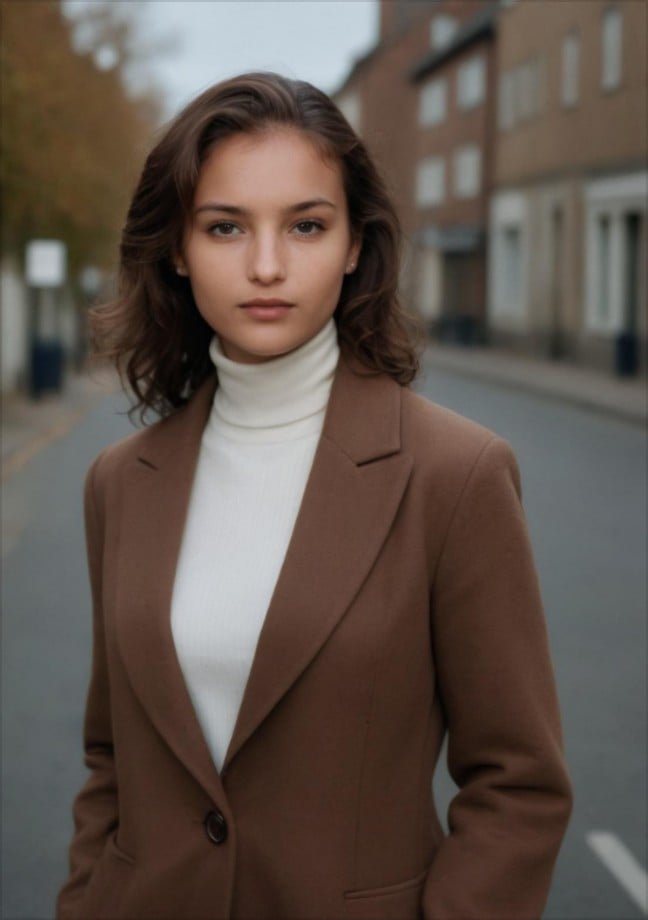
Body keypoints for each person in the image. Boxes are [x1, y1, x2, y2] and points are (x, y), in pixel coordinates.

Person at [57, 72, 572, 920]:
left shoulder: (456, 475)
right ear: (178, 249)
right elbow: (113, 759)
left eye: (306, 225)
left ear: (355, 244)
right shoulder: (119, 481)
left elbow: (519, 784)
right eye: (225, 226)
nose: (267, 266)